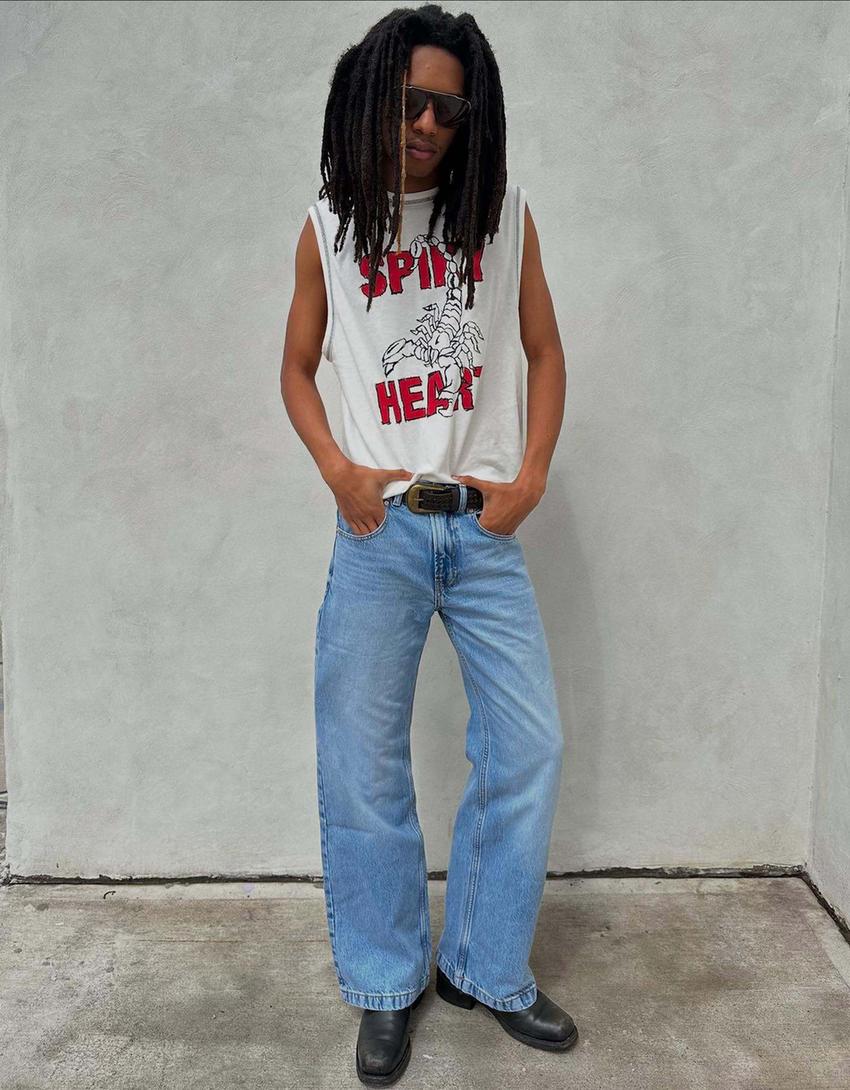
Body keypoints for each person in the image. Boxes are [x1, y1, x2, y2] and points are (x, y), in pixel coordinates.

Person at [281, 4, 576, 1084]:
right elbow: (295, 366)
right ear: (369, 98)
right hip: (381, 529)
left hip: (482, 531)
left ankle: (484, 966)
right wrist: (338, 470)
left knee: (529, 745)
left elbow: (544, 351)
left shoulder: (503, 217)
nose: (424, 124)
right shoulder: (330, 226)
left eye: (447, 108)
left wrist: (529, 479)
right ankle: (385, 982)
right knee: (364, 766)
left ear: (471, 119)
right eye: (407, 101)